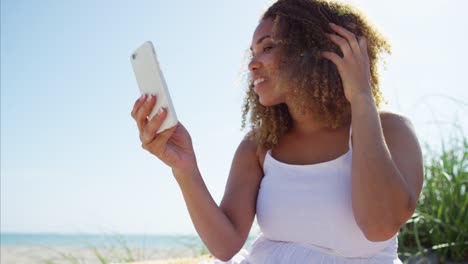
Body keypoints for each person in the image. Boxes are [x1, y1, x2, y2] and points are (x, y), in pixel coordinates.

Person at [131, 0, 424, 263]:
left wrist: (361, 98)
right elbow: (225, 246)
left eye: (268, 47)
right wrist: (184, 167)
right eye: (252, 52)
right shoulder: (259, 145)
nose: (252, 63)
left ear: (318, 49)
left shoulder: (391, 129)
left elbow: (379, 226)